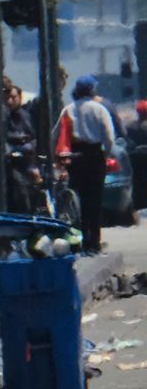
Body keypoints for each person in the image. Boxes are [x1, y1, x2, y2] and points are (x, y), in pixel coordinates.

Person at [59, 75, 116, 255]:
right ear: (92, 90)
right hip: (94, 156)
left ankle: (84, 240)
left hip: (75, 157)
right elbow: (109, 137)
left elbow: (57, 134)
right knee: (95, 200)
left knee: (81, 199)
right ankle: (95, 242)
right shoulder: (99, 109)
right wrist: (106, 154)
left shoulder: (68, 109)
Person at [4, 85, 42, 214]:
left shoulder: (26, 116)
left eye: (13, 97)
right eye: (7, 98)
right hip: (13, 163)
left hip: (29, 161)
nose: (10, 101)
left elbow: (33, 135)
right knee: (20, 193)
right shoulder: (4, 117)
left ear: (20, 98)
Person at [126, 100, 147, 211]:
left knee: (137, 181)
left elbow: (127, 141)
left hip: (135, 156)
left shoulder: (130, 126)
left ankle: (139, 203)